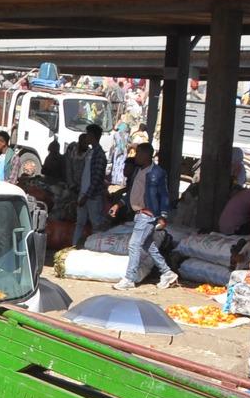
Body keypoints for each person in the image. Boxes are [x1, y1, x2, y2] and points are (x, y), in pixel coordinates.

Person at [115, 144, 176, 291]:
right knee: (149, 245)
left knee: (134, 244)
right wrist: (119, 204)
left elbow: (164, 195)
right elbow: (133, 192)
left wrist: (162, 216)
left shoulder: (157, 173)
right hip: (139, 213)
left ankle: (129, 278)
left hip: (148, 214)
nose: (136, 156)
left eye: (139, 154)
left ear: (147, 155)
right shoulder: (139, 171)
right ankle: (167, 272)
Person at [72, 124, 109, 244]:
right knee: (80, 223)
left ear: (92, 136)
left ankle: (96, 249)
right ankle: (74, 247)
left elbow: (97, 178)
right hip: (84, 194)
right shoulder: (90, 152)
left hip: (92, 197)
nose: (85, 137)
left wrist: (86, 196)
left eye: (87, 134)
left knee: (96, 225)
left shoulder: (99, 155)